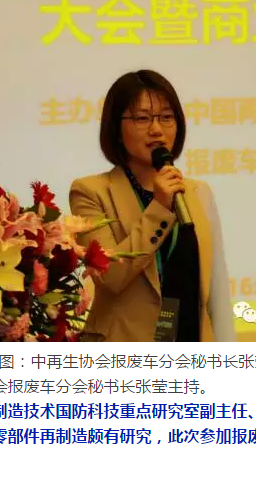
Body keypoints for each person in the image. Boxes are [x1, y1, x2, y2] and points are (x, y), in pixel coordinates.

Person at [69, 69, 236, 342]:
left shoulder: (198, 193)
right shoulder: (90, 192)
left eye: (166, 117)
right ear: (116, 127)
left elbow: (216, 291)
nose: (156, 129)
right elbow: (110, 277)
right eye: (142, 118)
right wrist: (159, 208)